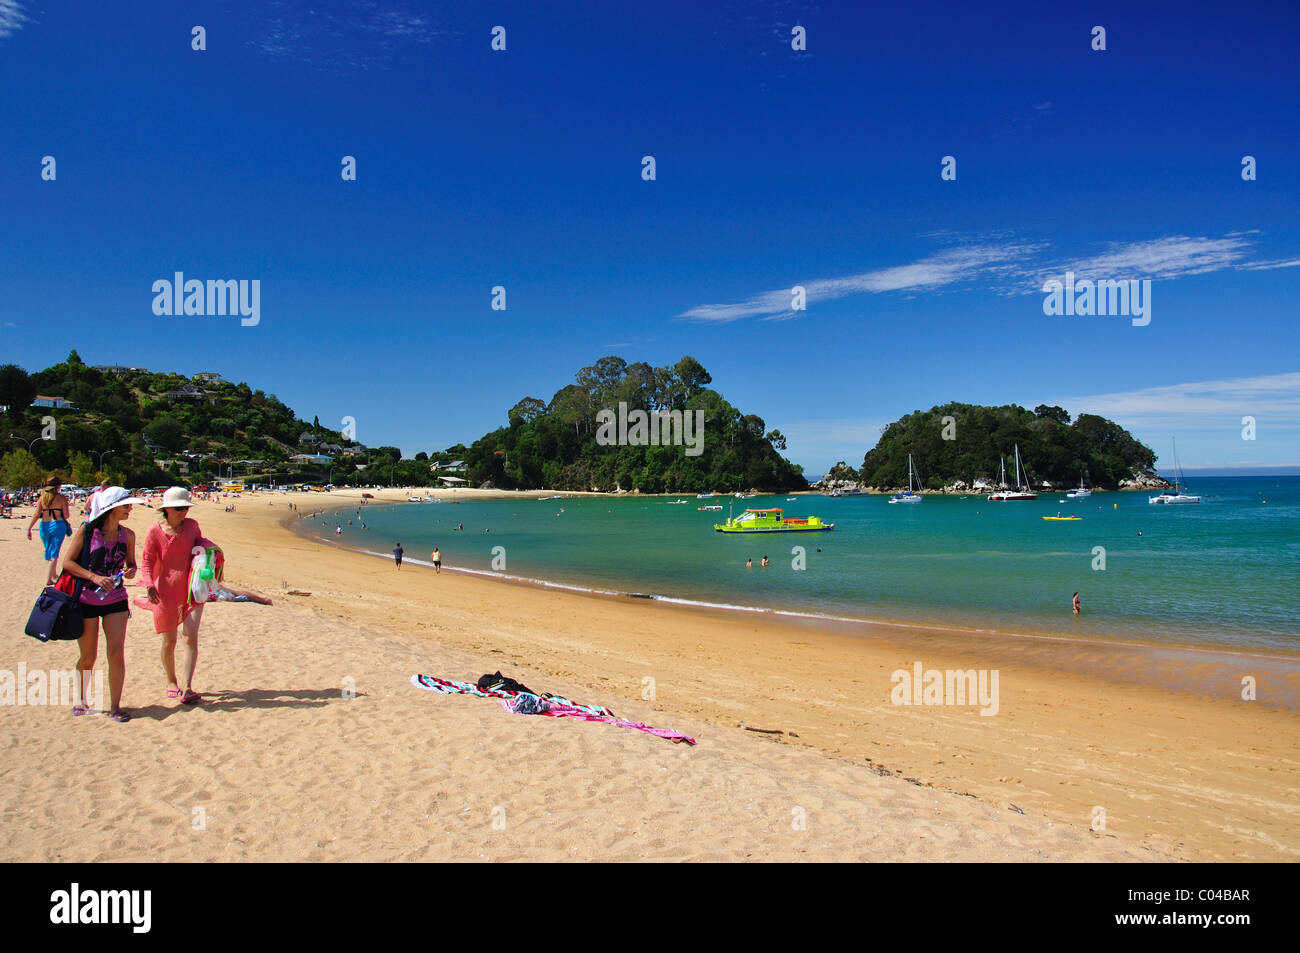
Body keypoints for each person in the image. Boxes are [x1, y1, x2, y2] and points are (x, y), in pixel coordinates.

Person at [62, 487, 145, 722]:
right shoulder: (87, 531)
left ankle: (115, 706)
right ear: (112, 508)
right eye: (126, 505)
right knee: (88, 655)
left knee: (116, 653)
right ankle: (81, 699)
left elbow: (131, 564)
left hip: (116, 599)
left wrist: (130, 571)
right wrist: (94, 577)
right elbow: (67, 563)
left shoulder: (127, 535)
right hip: (87, 599)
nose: (130, 509)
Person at [139, 487, 214, 705]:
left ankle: (188, 686)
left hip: (191, 589)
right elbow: (146, 561)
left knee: (190, 636)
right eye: (179, 508)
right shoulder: (154, 531)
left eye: (186, 508)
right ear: (167, 509)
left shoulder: (191, 526)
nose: (184, 512)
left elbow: (199, 542)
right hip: (164, 591)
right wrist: (148, 584)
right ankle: (171, 681)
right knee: (169, 641)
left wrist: (210, 549)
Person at [27, 474, 73, 585]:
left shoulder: (42, 498)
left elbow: (36, 515)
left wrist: (29, 528)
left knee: (49, 550)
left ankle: (53, 574)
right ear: (58, 486)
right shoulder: (61, 498)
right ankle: (49, 579)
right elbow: (66, 515)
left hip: (44, 526)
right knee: (54, 553)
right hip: (58, 525)